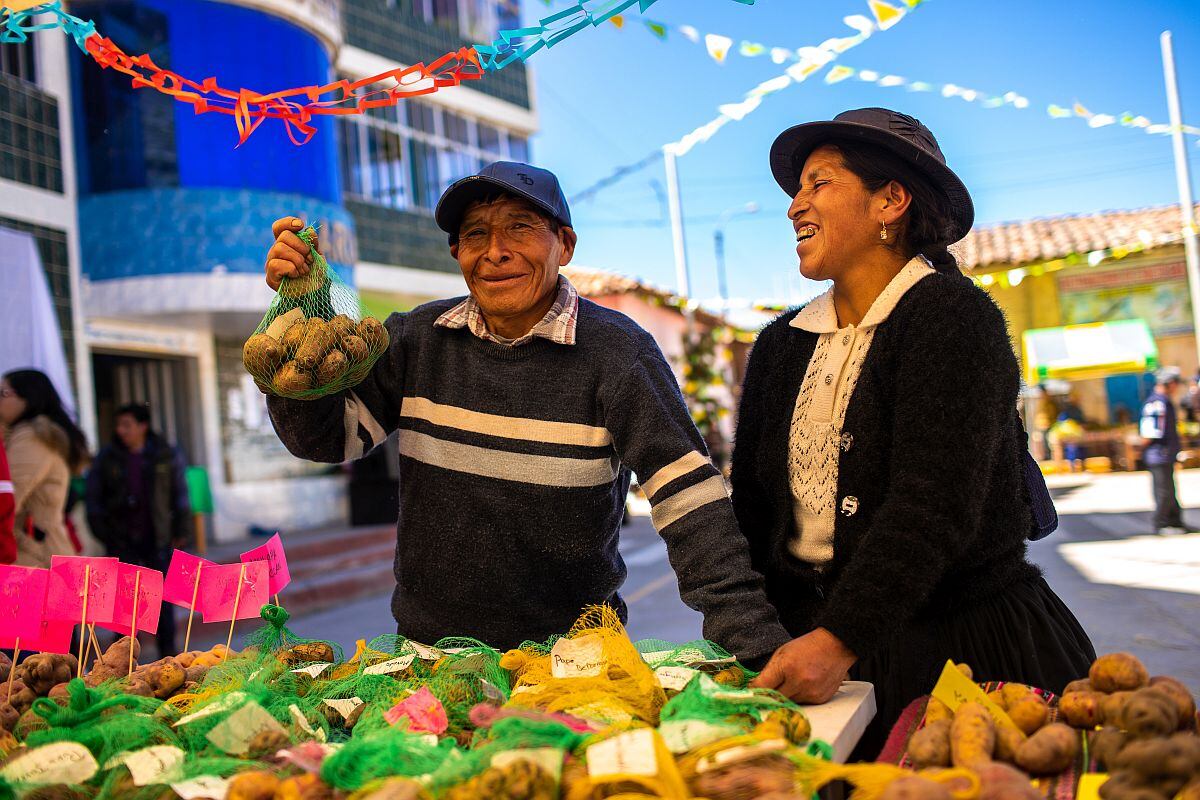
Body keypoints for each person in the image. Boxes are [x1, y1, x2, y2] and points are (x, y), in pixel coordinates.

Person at [261, 161, 793, 665]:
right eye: (476, 234)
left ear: (564, 245)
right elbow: (327, 441)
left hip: (575, 660)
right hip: (429, 656)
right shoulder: (417, 339)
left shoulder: (618, 353)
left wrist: (752, 640)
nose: (496, 252)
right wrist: (296, 324)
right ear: (456, 252)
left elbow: (690, 501)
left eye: (520, 227)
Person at [730, 108, 1095, 755]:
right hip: (813, 654)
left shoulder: (952, 318)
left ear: (890, 201)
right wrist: (756, 633)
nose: (794, 206)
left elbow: (932, 506)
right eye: (797, 189)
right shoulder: (781, 345)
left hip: (958, 653)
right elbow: (755, 510)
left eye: (819, 183)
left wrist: (840, 638)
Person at [86, 403, 193, 656]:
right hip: (121, 539)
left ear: (143, 426)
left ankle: (169, 656)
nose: (121, 430)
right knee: (124, 604)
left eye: (127, 425)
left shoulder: (165, 453)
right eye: (119, 425)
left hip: (157, 537)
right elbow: (93, 498)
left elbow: (180, 494)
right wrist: (103, 532)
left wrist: (181, 530)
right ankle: (123, 659)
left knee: (162, 601)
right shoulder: (108, 457)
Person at [0, 369, 90, 567]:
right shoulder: (26, 435)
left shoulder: (33, 438)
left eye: (4, 393)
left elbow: (7, 499)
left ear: (27, 398)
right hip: (36, 553)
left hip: (35, 557)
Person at [1140, 368, 1191, 535]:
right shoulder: (1157, 403)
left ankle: (1175, 522)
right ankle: (1161, 523)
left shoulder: (1163, 401)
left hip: (1164, 454)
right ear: (1170, 384)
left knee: (1170, 490)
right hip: (1158, 454)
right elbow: (1149, 432)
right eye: (1176, 384)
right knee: (1163, 492)